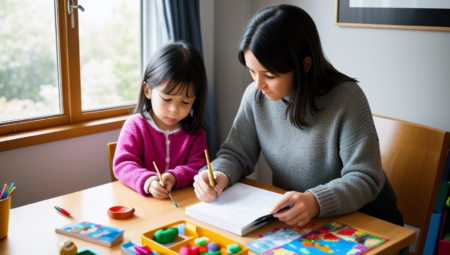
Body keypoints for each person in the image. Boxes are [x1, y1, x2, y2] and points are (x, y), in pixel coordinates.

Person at [193, 4, 403, 228]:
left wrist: (316, 202)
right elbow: (236, 154)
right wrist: (218, 173)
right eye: (252, 71)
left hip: (367, 221)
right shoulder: (256, 96)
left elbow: (365, 178)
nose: (258, 84)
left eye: (270, 75)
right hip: (303, 222)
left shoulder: (347, 99)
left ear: (305, 65)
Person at [114, 41, 208, 198]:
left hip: (182, 206)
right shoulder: (135, 126)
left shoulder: (194, 131)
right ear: (147, 90)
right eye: (166, 99)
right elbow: (123, 165)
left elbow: (199, 166)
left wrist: (175, 177)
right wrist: (148, 181)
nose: (174, 109)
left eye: (185, 102)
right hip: (144, 210)